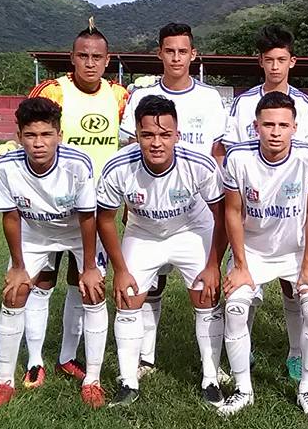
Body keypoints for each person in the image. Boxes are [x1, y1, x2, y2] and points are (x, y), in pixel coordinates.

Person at [97, 95, 228, 407]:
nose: (156, 143)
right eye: (148, 135)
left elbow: (222, 214)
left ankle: (211, 377)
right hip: (143, 233)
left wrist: (213, 265)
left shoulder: (199, 164)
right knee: (128, 298)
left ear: (177, 135)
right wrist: (120, 270)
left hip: (191, 230)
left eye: (165, 134)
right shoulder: (118, 166)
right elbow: (105, 219)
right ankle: (128, 382)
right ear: (136, 135)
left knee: (206, 296)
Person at [0, 97, 107, 409]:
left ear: (59, 135)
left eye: (46, 134)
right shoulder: (4, 166)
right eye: (31, 135)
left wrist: (90, 266)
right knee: (15, 293)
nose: (39, 143)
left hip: (77, 232)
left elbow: (88, 217)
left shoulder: (78, 163)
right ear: (19, 136)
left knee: (92, 292)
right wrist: (18, 266)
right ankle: (5, 382)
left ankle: (92, 380)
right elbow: (10, 217)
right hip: (35, 234)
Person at [117, 22, 228, 377]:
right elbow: (130, 149)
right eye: (170, 51)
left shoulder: (209, 98)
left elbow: (217, 152)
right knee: (151, 282)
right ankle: (145, 357)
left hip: (196, 207)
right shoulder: (141, 96)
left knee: (208, 288)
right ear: (159, 54)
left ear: (193, 55)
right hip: (148, 208)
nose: (176, 58)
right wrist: (132, 205)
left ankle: (213, 366)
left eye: (183, 51)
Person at [29, 21, 129, 382]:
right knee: (42, 280)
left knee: (82, 280)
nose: (90, 63)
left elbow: (128, 145)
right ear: (72, 58)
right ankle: (35, 361)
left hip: (96, 208)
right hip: (50, 206)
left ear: (107, 60)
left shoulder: (119, 96)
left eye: (96, 57)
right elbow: (32, 138)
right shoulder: (53, 91)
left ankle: (67, 357)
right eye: (83, 56)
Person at [219, 91, 308, 418]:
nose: (276, 132)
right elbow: (232, 212)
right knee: (235, 308)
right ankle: (243, 389)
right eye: (268, 125)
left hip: (296, 251)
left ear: (295, 127)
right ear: (256, 127)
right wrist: (240, 265)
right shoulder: (238, 158)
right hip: (253, 250)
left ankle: (307, 389)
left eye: (283, 125)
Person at [222, 25, 308, 382]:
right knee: (243, 288)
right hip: (253, 212)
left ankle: (296, 353)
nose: (275, 66)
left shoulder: (306, 105)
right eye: (269, 60)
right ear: (260, 62)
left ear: (291, 61)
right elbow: (232, 155)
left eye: (281, 59)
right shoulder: (244, 103)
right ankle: (241, 352)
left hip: (290, 214)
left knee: (293, 290)